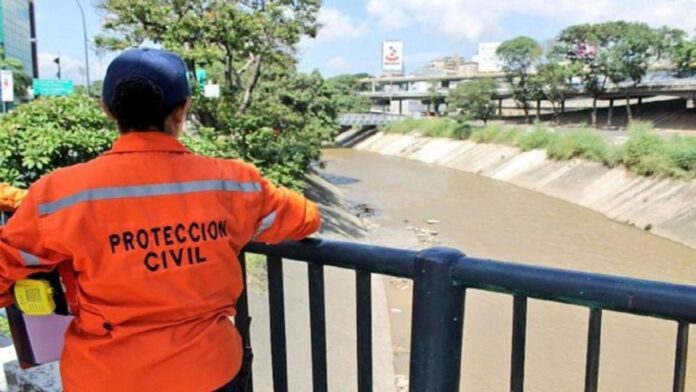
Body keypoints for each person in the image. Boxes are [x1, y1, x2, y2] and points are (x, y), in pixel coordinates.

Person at [0, 48, 321, 391]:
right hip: (208, 371)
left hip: (106, 377)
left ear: (107, 109)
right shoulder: (234, 183)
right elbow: (307, 218)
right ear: (182, 110)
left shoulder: (59, 195)